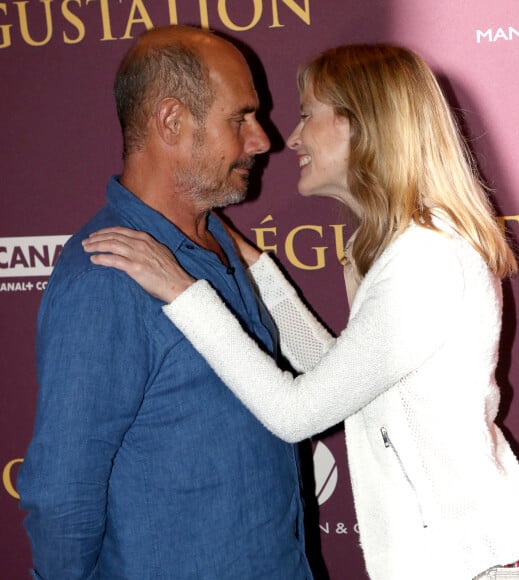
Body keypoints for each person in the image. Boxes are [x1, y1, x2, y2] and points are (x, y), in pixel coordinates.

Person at [82, 44, 519, 579]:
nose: (292, 138)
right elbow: (335, 372)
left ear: (362, 125)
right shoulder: (404, 247)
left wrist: (183, 291)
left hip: (473, 565)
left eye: (307, 115)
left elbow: (296, 414)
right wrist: (251, 261)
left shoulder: (425, 258)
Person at [18, 25, 315, 580]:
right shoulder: (107, 277)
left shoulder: (222, 243)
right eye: (240, 118)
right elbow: (63, 493)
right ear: (173, 121)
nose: (263, 140)